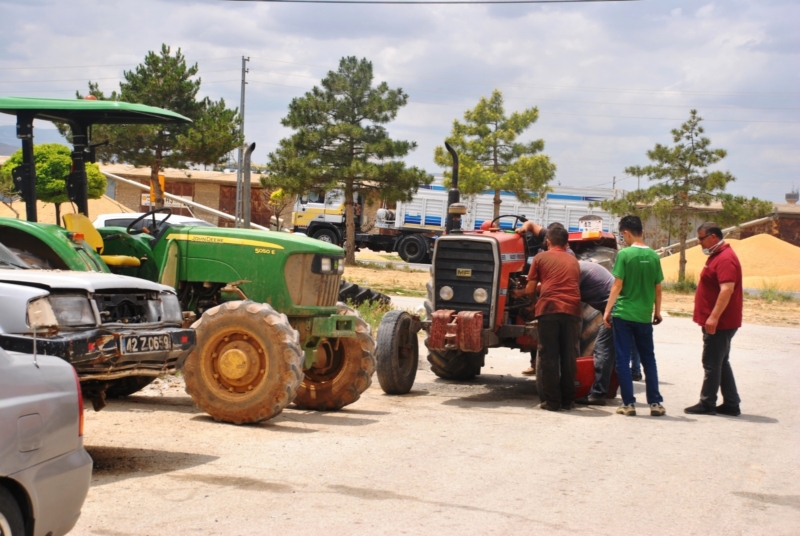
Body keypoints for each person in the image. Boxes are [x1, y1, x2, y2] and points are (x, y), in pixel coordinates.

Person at [511, 226, 582, 411]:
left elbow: (529, 289)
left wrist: (534, 303)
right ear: (566, 243)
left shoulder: (540, 257)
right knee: (569, 355)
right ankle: (568, 401)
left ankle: (552, 402)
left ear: (548, 241)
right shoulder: (574, 260)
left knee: (548, 355)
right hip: (573, 309)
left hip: (550, 308)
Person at [603, 215, 666, 417]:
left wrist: (607, 311)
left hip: (623, 314)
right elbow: (658, 288)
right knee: (649, 359)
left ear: (626, 233)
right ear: (643, 232)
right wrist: (656, 311)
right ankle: (655, 403)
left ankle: (629, 404)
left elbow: (617, 285)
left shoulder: (625, 255)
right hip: (643, 316)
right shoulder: (655, 257)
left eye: (623, 235)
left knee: (622, 359)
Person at [684, 222, 743, 416]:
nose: (699, 242)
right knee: (721, 361)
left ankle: (707, 403)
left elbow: (727, 290)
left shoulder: (725, 258)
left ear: (713, 237)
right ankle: (732, 404)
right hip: (718, 320)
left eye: (701, 238)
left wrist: (714, 317)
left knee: (711, 362)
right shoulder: (717, 255)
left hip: (720, 322)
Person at [515, 220, 574, 375]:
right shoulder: (546, 242)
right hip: (543, 293)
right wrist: (523, 229)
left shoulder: (568, 256)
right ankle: (535, 363)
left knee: (547, 336)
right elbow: (530, 224)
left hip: (553, 299)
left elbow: (548, 283)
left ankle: (544, 370)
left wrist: (529, 299)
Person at [573, 260, 616, 405]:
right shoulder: (581, 266)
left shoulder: (577, 270)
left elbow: (569, 293)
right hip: (620, 306)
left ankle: (598, 394)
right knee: (613, 351)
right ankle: (609, 389)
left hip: (614, 309)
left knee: (602, 349)